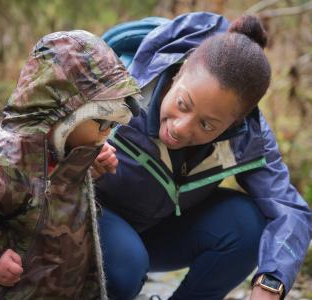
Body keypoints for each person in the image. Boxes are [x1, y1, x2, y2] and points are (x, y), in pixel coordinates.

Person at [96, 12, 312, 300]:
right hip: (95, 222)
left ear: (235, 123)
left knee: (246, 224)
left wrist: (271, 283)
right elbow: (35, 146)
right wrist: (78, 163)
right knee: (125, 269)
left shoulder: (247, 138)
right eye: (184, 104)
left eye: (207, 124)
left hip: (158, 230)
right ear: (178, 73)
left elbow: (289, 209)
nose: (181, 128)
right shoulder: (117, 85)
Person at [0, 30, 141, 299]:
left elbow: (57, 194)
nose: (107, 133)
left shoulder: (70, 148)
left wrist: (90, 165)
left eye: (113, 125)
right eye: (102, 122)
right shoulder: (5, 158)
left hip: (64, 280)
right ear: (65, 114)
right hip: (19, 287)